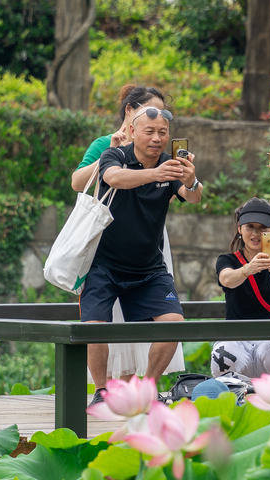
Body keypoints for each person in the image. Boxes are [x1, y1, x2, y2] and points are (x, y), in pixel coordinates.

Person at [83, 101, 203, 406]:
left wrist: (190, 180)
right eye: (149, 131)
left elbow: (193, 198)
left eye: (162, 132)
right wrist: (156, 174)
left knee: (173, 322)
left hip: (149, 268)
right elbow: (113, 179)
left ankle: (147, 388)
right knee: (94, 327)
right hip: (104, 263)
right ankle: (101, 391)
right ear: (132, 130)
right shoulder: (114, 155)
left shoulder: (170, 164)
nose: (157, 138)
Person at [72, 86, 184, 388]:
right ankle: (105, 389)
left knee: (158, 318)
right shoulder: (106, 145)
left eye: (163, 124)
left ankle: (141, 387)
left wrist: (179, 179)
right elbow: (78, 182)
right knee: (103, 323)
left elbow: (180, 193)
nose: (157, 130)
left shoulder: (160, 154)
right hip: (108, 240)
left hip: (149, 241)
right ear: (130, 114)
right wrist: (111, 156)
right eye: (150, 116)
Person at [210, 197, 270, 379]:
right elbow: (226, 279)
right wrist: (247, 270)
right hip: (236, 338)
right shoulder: (228, 260)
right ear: (239, 229)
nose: (256, 233)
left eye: (263, 228)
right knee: (223, 354)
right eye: (250, 226)